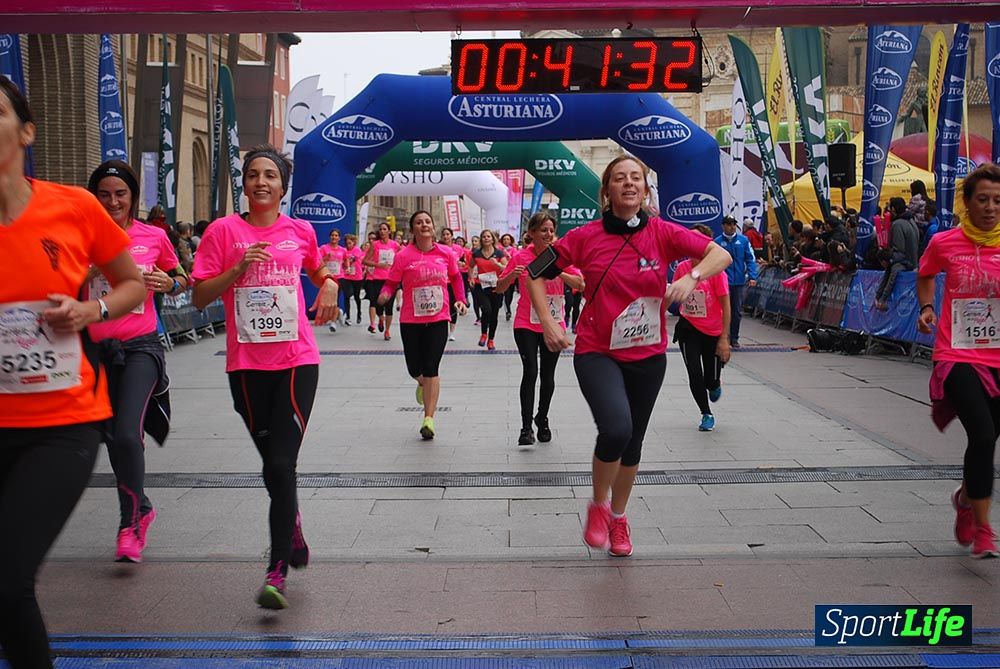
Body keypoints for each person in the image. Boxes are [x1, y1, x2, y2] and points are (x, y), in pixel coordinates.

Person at [0, 77, 146, 668]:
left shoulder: (75, 207)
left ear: (26, 131)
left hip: (62, 426)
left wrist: (92, 308)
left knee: (7, 581)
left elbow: (131, 283)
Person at [528, 155, 731, 557]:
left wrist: (691, 277)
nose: (628, 184)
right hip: (596, 350)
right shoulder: (584, 237)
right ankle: (599, 505)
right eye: (619, 178)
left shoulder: (663, 233)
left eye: (636, 178)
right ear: (607, 191)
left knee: (633, 443)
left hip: (648, 354)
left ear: (645, 190)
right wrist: (550, 326)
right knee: (617, 429)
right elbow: (534, 272)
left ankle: (619, 518)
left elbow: (718, 255)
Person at [191, 145, 340, 609]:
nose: (261, 182)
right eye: (253, 174)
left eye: (270, 175)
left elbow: (318, 268)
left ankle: (276, 571)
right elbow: (199, 297)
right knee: (274, 467)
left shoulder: (299, 230)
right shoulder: (223, 231)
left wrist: (331, 283)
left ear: (282, 185)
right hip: (246, 366)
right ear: (245, 183)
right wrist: (238, 268)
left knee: (280, 465)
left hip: (297, 361)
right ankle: (290, 521)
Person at [86, 160, 185, 563]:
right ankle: (140, 506)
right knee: (112, 438)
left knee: (127, 434)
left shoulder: (153, 236)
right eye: (104, 194)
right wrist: (87, 269)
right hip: (94, 352)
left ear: (132, 198)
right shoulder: (79, 236)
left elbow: (182, 276)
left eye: (120, 194)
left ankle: (128, 526)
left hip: (141, 346)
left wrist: (169, 281)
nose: (112, 202)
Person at [917, 162, 1000, 559]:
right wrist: (928, 306)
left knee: (988, 441)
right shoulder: (944, 242)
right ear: (967, 203)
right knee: (982, 434)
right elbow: (925, 273)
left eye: (998, 201)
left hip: (998, 357)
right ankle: (984, 529)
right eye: (982, 199)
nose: (990, 207)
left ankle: (966, 500)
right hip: (956, 354)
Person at [497, 212, 583, 448]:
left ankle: (542, 418)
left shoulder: (561, 257)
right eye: (542, 230)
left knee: (548, 375)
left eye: (550, 230)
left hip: (554, 325)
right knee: (531, 371)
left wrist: (559, 272)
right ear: (532, 233)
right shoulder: (520, 257)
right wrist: (511, 276)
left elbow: (581, 284)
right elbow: (498, 287)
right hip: (526, 323)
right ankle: (526, 428)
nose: (547, 234)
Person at [379, 211, 467, 439]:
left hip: (438, 319)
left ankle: (429, 418)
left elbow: (456, 278)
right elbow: (391, 282)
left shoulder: (446, 253)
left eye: (428, 221)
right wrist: (384, 295)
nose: (424, 225)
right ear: (413, 230)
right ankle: (422, 383)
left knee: (431, 367)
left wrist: (460, 299)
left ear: (433, 227)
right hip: (411, 320)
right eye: (419, 222)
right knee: (414, 369)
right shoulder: (403, 256)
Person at [673, 224, 732, 432]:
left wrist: (725, 339)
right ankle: (706, 413)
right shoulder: (682, 268)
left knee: (710, 379)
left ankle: (715, 384)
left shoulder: (716, 272)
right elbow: (676, 295)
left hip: (713, 331)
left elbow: (726, 306)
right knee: (694, 373)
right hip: (689, 328)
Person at [714, 216, 758, 348]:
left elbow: (750, 259)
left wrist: (752, 276)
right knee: (722, 310)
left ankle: (734, 337)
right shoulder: (717, 242)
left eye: (734, 224)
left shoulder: (743, 240)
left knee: (736, 311)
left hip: (738, 281)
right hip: (723, 282)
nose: (732, 227)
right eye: (728, 224)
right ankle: (723, 336)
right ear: (723, 226)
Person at [876, 196, 919, 311]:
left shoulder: (898, 225)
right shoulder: (912, 221)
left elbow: (899, 250)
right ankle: (880, 298)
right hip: (913, 262)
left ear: (894, 209)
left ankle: (882, 299)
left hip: (905, 262)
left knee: (891, 271)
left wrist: (886, 257)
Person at [470, 228, 508, 350]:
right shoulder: (476, 253)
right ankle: (483, 334)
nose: (486, 238)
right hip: (480, 286)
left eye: (488, 236)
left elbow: (506, 268)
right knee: (486, 310)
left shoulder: (499, 253)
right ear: (481, 239)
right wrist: (471, 277)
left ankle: (491, 339)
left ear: (493, 239)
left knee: (494, 314)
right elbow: (470, 266)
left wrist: (497, 264)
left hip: (496, 287)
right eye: (484, 236)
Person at [363, 221, 400, 340]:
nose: (382, 231)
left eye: (384, 229)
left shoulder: (395, 245)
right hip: (377, 279)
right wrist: (377, 264)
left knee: (389, 306)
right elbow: (364, 261)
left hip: (391, 280)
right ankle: (380, 318)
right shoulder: (375, 245)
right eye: (380, 229)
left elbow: (402, 259)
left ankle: (387, 331)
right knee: (378, 303)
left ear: (389, 231)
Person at [319, 228, 347, 332]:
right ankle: (339, 312)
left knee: (335, 299)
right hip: (327, 277)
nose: (334, 237)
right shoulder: (324, 248)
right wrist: (325, 259)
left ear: (339, 238)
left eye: (336, 235)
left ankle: (333, 322)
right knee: (326, 300)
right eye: (332, 235)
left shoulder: (342, 250)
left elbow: (345, 262)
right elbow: (318, 262)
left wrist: (347, 267)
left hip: (339, 277)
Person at [439, 227, 464, 341]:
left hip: (454, 280)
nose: (445, 236)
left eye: (448, 234)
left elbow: (464, 262)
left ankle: (452, 332)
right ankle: (442, 329)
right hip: (442, 281)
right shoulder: (438, 248)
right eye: (444, 234)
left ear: (452, 236)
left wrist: (461, 264)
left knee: (453, 306)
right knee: (443, 306)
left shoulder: (458, 249)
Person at [341, 233, 364, 325]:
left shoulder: (357, 250)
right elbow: (342, 261)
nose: (348, 245)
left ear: (354, 243)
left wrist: (346, 262)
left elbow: (352, 259)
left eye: (350, 243)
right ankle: (348, 316)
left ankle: (359, 313)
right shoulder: (343, 251)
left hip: (357, 276)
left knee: (356, 296)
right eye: (347, 243)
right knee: (347, 296)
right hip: (347, 276)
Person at [499, 232, 518, 321]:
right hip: (502, 274)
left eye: (508, 239)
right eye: (504, 239)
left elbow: (515, 260)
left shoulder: (514, 250)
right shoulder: (499, 249)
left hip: (512, 275)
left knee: (509, 295)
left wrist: (508, 255)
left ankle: (508, 306)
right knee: (505, 293)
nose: (506, 241)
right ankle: (508, 311)